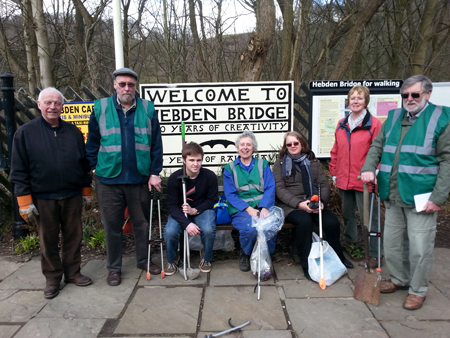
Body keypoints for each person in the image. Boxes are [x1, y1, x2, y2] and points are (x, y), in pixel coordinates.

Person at [361, 75, 450, 310]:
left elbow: (447, 160)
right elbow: (377, 146)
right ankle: (399, 279)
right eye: (405, 95)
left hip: (422, 196)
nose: (409, 99)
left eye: (415, 95)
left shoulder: (441, 117)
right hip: (392, 194)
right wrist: (369, 167)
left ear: (427, 95)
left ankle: (418, 290)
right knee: (392, 244)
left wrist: (438, 197)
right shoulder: (393, 117)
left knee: (420, 248)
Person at [10, 87, 93, 299]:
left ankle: (73, 273)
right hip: (42, 197)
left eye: (57, 103)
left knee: (74, 237)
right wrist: (24, 202)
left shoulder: (73, 132)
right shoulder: (25, 133)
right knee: (47, 240)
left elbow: (84, 165)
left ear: (62, 106)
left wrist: (86, 191)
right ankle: (53, 278)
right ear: (39, 105)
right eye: (48, 103)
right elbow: (18, 171)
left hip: (72, 195)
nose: (53, 107)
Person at [86, 67, 163, 286]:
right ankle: (114, 268)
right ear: (114, 85)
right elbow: (91, 142)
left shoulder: (147, 108)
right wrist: (94, 168)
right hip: (108, 180)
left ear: (136, 86)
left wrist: (154, 172)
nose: (126, 88)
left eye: (130, 84)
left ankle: (144, 260)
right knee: (112, 226)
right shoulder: (101, 108)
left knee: (142, 225)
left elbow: (156, 144)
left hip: (139, 179)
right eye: (122, 84)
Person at [273, 131, 354, 280]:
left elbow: (323, 184)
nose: (292, 146)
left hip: (314, 202)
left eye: (295, 143)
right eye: (289, 144)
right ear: (285, 147)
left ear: (302, 144)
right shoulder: (280, 164)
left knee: (331, 222)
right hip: (291, 206)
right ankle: (306, 263)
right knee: (304, 221)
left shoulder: (313, 162)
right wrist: (299, 204)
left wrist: (321, 202)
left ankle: (338, 257)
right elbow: (280, 189)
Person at [329, 85, 382, 268]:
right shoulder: (341, 124)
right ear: (348, 101)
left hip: (365, 180)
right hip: (344, 178)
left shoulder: (374, 124)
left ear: (366, 101)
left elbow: (380, 151)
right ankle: (351, 242)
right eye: (353, 98)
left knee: (369, 217)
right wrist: (334, 172)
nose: (356, 101)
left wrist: (375, 170)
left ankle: (373, 251)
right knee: (348, 214)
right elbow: (335, 150)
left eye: (360, 98)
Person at [223, 131, 276, 272]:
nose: (245, 148)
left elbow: (270, 187)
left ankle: (266, 255)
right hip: (241, 209)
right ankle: (246, 254)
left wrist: (265, 207)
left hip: (262, 206)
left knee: (269, 226)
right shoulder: (230, 168)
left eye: (248, 145)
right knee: (250, 229)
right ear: (237, 147)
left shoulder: (263, 165)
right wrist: (248, 209)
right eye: (242, 145)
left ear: (253, 148)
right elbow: (230, 194)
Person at [164, 142, 218, 275]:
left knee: (208, 230)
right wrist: (186, 223)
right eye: (191, 160)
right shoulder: (174, 178)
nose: (195, 164)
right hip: (180, 212)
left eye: (198, 160)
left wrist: (195, 210)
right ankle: (172, 260)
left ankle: (206, 258)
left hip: (203, 210)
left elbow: (212, 200)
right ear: (184, 160)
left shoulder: (209, 176)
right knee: (170, 232)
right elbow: (171, 205)